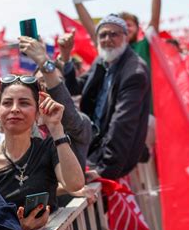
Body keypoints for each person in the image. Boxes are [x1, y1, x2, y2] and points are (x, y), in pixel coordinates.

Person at [0, 75, 84, 230]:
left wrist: (56, 128)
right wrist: (19, 229)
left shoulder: (49, 148)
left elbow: (75, 183)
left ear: (37, 112)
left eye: (24, 102)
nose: (15, 108)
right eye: (7, 103)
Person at [63, 14, 150, 180]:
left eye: (114, 34)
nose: (107, 39)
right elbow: (74, 88)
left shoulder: (134, 72)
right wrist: (66, 57)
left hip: (115, 161)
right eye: (102, 35)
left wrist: (105, 171)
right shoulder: (102, 61)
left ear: (125, 37)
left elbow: (122, 124)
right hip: (95, 149)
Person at [18, 35, 92, 171]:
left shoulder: (80, 124)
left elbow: (68, 113)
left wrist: (43, 60)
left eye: (53, 81)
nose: (46, 85)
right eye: (40, 81)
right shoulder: (21, 124)